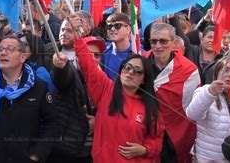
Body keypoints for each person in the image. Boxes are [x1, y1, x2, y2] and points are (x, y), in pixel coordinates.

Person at [56, 16, 164, 162]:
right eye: (127, 67)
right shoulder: (106, 90)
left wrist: (145, 149)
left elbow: (157, 140)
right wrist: (78, 38)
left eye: (137, 70)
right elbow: (89, 66)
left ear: (144, 78)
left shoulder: (150, 106)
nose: (130, 72)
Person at [146, 22, 200, 163]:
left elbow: (192, 108)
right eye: (154, 41)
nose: (158, 46)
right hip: (144, 131)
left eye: (163, 41)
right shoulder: (140, 62)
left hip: (173, 134)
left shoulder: (188, 70)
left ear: (174, 42)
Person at [186, 57, 230, 162]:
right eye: (226, 69)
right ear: (217, 73)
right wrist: (210, 93)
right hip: (209, 159)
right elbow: (193, 114)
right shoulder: (204, 91)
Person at [102, 13, 133, 80]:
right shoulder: (103, 53)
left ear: (128, 29)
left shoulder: (138, 52)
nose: (112, 29)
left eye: (117, 26)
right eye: (109, 26)